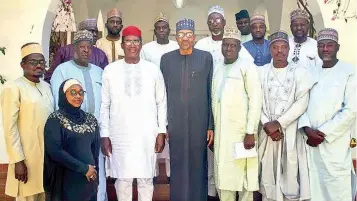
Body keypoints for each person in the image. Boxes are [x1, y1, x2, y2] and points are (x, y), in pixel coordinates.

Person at [100, 26, 167, 201]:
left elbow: (161, 102)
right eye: (128, 41)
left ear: (141, 44)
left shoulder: (153, 70)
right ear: (122, 45)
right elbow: (105, 105)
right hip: (120, 134)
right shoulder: (110, 71)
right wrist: (104, 134)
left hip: (147, 133)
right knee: (123, 179)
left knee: (146, 178)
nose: (132, 45)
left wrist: (161, 131)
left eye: (136, 41)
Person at [298, 28, 356, 201]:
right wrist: (307, 129)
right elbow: (301, 100)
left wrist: (323, 133)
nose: (325, 49)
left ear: (337, 47)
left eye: (329, 45)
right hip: (311, 141)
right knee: (314, 186)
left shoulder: (349, 71)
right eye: (321, 45)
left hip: (335, 142)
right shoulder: (311, 70)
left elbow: (351, 109)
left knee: (336, 185)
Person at [160, 18, 214, 201]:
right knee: (177, 163)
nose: (185, 38)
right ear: (176, 37)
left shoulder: (205, 58)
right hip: (175, 122)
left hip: (199, 122)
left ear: (194, 37)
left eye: (189, 35)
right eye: (181, 34)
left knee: (199, 164)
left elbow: (210, 93)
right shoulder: (166, 60)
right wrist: (164, 125)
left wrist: (210, 125)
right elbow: (162, 94)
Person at [50, 30, 106, 201]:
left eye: (89, 47)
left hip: (95, 130)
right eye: (82, 47)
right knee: (74, 173)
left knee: (99, 170)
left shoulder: (99, 72)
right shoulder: (62, 70)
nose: (85, 50)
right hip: (71, 132)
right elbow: (56, 101)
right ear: (74, 48)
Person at [258, 31, 313, 201]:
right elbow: (255, 101)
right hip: (268, 134)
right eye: (275, 47)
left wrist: (279, 123)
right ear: (270, 50)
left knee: (291, 174)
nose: (279, 51)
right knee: (268, 175)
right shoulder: (261, 71)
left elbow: (302, 103)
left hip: (290, 131)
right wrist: (267, 124)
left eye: (283, 47)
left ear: (289, 49)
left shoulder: (300, 72)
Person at [212, 26, 262, 201]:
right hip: (221, 135)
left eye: (233, 45)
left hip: (242, 135)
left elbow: (256, 100)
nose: (229, 49)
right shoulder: (217, 67)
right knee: (224, 179)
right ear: (221, 46)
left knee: (244, 182)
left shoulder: (248, 67)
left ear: (240, 48)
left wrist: (250, 132)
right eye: (226, 45)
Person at [1, 43, 54, 201]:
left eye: (41, 62)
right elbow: (9, 128)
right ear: (22, 64)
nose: (38, 65)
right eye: (32, 62)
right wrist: (18, 160)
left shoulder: (46, 87)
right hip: (27, 158)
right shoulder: (14, 87)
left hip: (47, 156)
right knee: (28, 196)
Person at [44, 79, 100, 201]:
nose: (78, 96)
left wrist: (95, 174)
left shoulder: (91, 119)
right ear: (64, 95)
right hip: (66, 180)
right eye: (73, 92)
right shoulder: (55, 119)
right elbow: (55, 151)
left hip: (88, 180)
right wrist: (83, 169)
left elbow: (95, 151)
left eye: (81, 92)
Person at [140, 12, 178, 179]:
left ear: (169, 30)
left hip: (174, 96)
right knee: (153, 133)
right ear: (154, 31)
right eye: (158, 28)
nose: (162, 30)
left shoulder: (177, 46)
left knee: (171, 135)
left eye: (164, 27)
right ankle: (153, 173)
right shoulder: (146, 49)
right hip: (151, 97)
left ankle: (171, 175)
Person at [196, 5, 253, 74]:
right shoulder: (201, 44)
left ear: (224, 22)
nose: (214, 24)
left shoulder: (233, 43)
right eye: (210, 21)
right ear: (208, 24)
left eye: (218, 20)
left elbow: (249, 63)